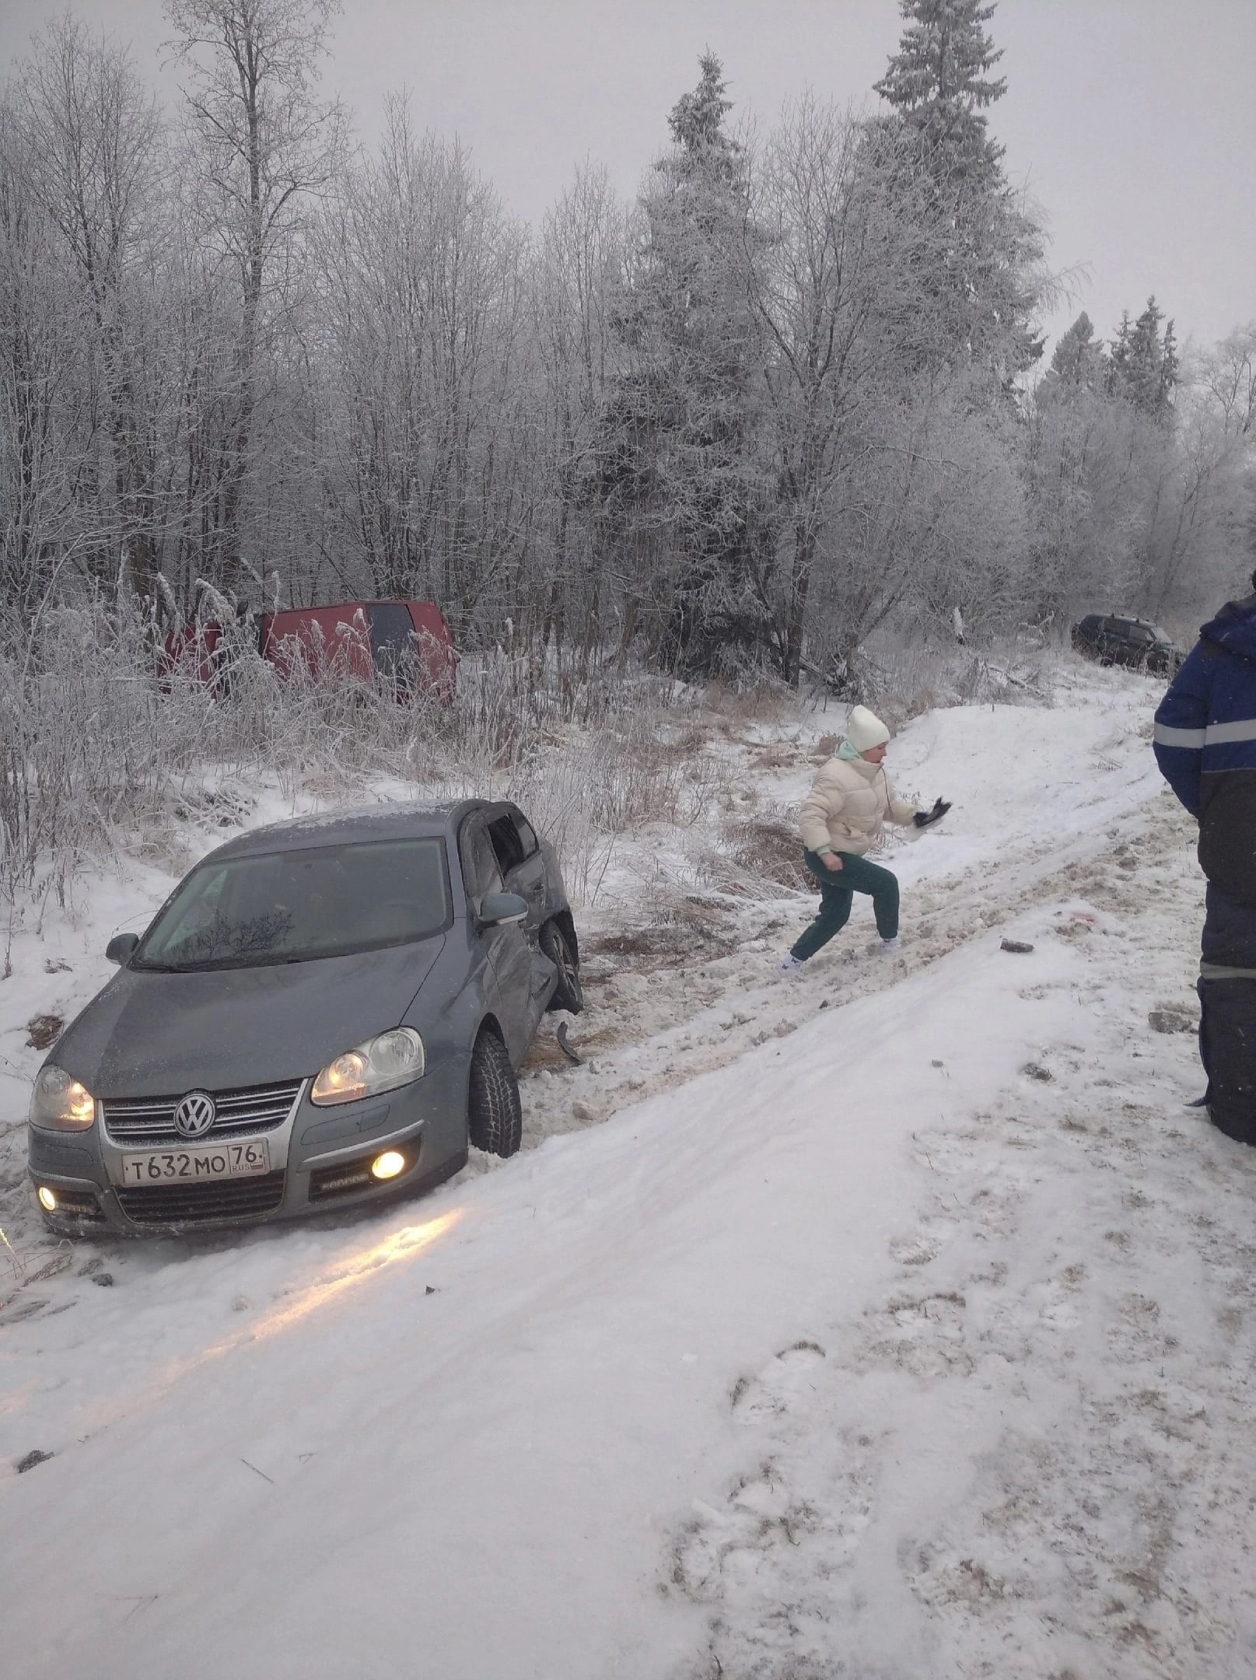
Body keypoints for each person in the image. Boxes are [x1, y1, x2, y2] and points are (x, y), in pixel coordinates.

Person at [1153, 570, 1256, 1144]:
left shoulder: (1222, 642)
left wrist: (1215, 806)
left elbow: (1172, 734)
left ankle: (1241, 1110)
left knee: (1237, 964)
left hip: (1241, 832)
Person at [780, 705, 949, 972]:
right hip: (827, 853)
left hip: (842, 851)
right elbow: (811, 815)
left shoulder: (875, 771)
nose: (885, 752)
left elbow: (890, 806)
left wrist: (919, 817)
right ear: (863, 746)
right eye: (880, 746)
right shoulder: (835, 776)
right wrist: (825, 852)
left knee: (835, 915)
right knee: (885, 884)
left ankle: (791, 963)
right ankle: (890, 944)